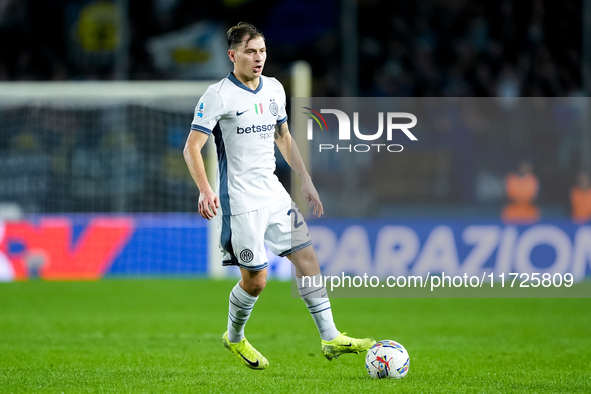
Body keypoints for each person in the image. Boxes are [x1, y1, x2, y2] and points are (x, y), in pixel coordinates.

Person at [183, 22, 374, 370]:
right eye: (251, 52)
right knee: (256, 281)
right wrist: (205, 189)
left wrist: (305, 178)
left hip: (274, 193)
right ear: (233, 55)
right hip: (238, 200)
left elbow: (283, 137)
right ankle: (235, 338)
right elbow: (192, 147)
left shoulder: (273, 89)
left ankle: (330, 337)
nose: (258, 58)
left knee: (308, 259)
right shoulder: (218, 95)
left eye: (262, 51)